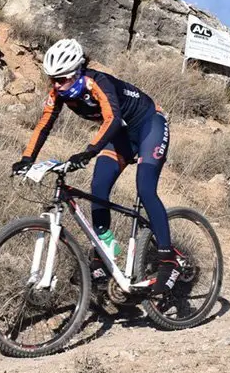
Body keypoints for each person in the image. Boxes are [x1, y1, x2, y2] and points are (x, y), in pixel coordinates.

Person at [11, 38, 180, 294]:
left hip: (150, 126)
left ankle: (169, 259)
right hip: (123, 135)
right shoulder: (59, 92)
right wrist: (27, 158)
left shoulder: (98, 83)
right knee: (98, 185)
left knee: (145, 189)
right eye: (52, 79)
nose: (56, 85)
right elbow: (44, 124)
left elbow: (112, 119)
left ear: (78, 70)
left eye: (62, 78)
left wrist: (88, 152)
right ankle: (106, 249)